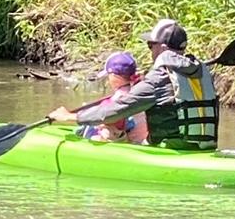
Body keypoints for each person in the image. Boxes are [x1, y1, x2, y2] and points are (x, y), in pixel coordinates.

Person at [48, 18, 219, 150]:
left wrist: (72, 117)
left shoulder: (158, 78)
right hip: (205, 147)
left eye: (150, 45)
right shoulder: (202, 73)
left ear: (162, 48)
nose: (150, 50)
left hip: (169, 148)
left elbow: (116, 110)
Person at [76, 51, 148, 144]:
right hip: (142, 139)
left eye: (109, 75)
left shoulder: (119, 99)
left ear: (114, 76)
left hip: (132, 143)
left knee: (98, 130)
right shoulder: (138, 92)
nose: (108, 79)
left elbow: (108, 118)